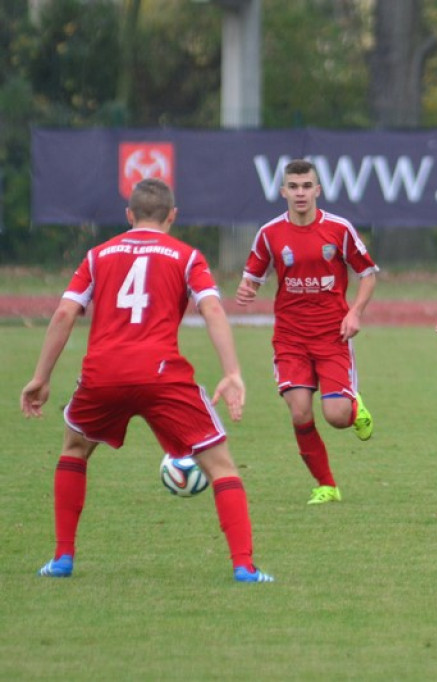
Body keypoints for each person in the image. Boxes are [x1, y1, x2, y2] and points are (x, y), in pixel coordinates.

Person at [21, 178, 273, 583]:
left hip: (102, 374)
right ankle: (244, 567)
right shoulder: (187, 256)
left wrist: (40, 378)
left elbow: (65, 314)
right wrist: (232, 372)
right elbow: (212, 310)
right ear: (172, 216)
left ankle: (63, 559)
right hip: (161, 375)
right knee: (222, 467)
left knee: (74, 448)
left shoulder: (97, 255)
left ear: (129, 216)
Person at [236, 159, 378, 505]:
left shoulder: (338, 229)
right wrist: (246, 290)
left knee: (336, 417)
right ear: (283, 191)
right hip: (290, 338)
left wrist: (355, 312)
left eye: (306, 186)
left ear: (318, 190)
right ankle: (326, 485)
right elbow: (252, 275)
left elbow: (368, 273)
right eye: (293, 187)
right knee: (300, 411)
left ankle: (353, 405)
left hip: (333, 335)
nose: (300, 193)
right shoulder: (270, 233)